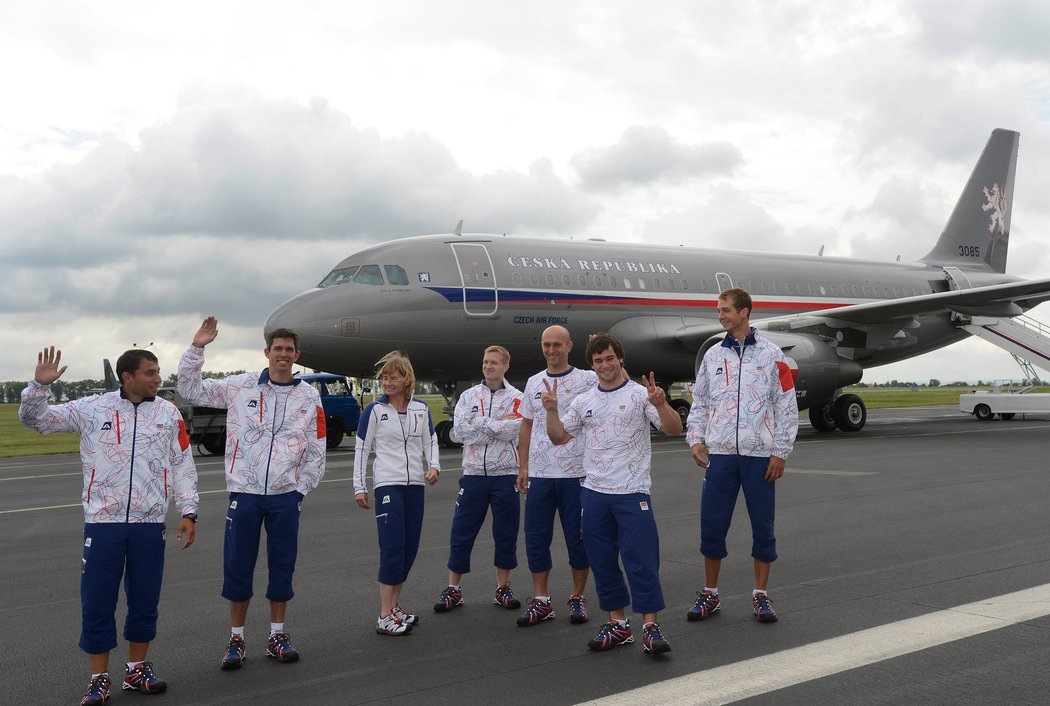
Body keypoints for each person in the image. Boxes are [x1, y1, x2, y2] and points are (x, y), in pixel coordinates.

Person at [20, 346, 199, 705]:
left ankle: (135, 669)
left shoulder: (168, 413)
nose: (157, 379)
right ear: (127, 377)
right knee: (98, 602)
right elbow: (36, 421)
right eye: (150, 373)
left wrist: (189, 510)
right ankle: (99, 678)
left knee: (145, 601)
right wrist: (38, 388)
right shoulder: (92, 408)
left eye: (158, 371)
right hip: (104, 523)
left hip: (149, 523)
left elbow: (182, 463)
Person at [177, 317, 326, 669]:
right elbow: (190, 388)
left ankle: (276, 634)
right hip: (244, 494)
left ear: (297, 355)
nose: (283, 355)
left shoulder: (309, 395)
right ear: (267, 352)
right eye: (278, 349)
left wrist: (300, 490)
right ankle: (236, 639)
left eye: (290, 350)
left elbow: (316, 445)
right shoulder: (241, 386)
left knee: (282, 565)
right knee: (238, 567)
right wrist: (197, 348)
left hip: (285, 496)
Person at [543, 333, 682, 653]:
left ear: (620, 359)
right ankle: (618, 624)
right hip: (594, 493)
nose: (604, 365)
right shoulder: (584, 401)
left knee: (641, 561)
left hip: (632, 492)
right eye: (598, 361)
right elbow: (559, 438)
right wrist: (552, 411)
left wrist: (661, 404)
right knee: (603, 561)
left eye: (609, 359)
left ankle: (650, 626)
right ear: (591, 365)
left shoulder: (639, 395)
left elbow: (673, 429)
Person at [685, 288, 798, 624]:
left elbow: (786, 406)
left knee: (763, 528)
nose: (720, 316)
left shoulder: (773, 354)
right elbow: (701, 402)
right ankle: (710, 594)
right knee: (712, 526)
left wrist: (780, 450)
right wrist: (695, 438)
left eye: (725, 310)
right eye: (718, 310)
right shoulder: (712, 357)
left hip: (759, 456)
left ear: (744, 312)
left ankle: (761, 596)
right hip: (720, 455)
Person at [514, 325, 597, 627]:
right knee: (536, 539)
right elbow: (525, 425)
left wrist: (598, 346)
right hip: (540, 473)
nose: (551, 350)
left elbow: (615, 382)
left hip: (576, 474)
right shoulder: (534, 382)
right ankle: (541, 600)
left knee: (578, 540)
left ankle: (577, 597)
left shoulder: (587, 379)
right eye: (546, 345)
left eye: (557, 345)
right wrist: (523, 466)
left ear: (569, 346)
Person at [354, 351, 441, 635]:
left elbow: (431, 441)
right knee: (392, 548)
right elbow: (362, 449)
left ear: (407, 379)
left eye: (393, 377)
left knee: (408, 548)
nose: (387, 383)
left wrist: (435, 466)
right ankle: (384, 615)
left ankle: (395, 607)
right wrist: (360, 485)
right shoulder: (375, 411)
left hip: (414, 485)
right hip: (388, 484)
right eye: (385, 378)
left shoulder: (421, 408)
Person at [433, 346, 523, 614]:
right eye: (485, 362)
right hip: (473, 475)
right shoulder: (468, 396)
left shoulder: (518, 398)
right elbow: (459, 432)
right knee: (461, 532)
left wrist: (479, 422)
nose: (489, 366)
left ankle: (503, 588)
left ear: (506, 366)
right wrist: (495, 423)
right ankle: (454, 589)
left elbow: (514, 430)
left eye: (494, 362)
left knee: (505, 534)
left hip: (505, 475)